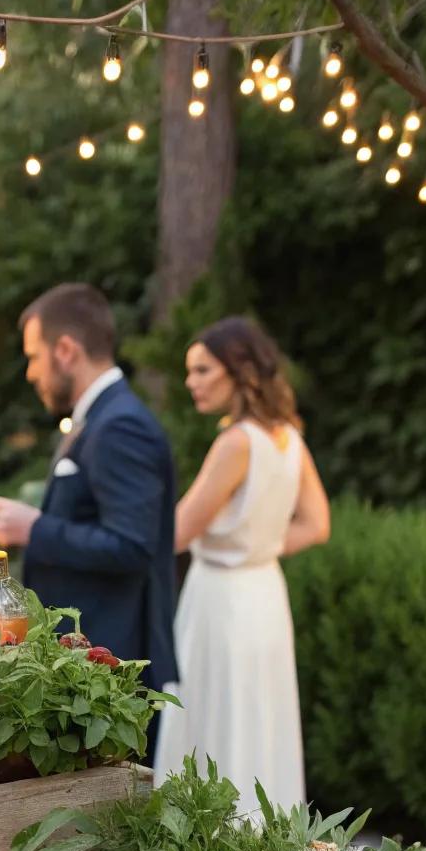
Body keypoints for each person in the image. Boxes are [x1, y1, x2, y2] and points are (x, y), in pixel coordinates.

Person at [153, 317, 331, 811]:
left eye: (203, 369)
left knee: (216, 715)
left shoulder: (236, 442)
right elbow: (317, 524)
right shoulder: (290, 438)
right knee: (258, 717)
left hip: (222, 598)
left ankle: (210, 836)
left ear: (240, 371)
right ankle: (264, 831)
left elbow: (177, 532)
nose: (192, 381)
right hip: (265, 592)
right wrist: (259, 545)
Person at [0, 282, 178, 707]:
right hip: (88, 665)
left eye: (33, 357)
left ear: (66, 349)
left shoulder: (121, 425)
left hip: (114, 668)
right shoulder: (97, 419)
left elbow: (133, 546)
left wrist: (37, 529)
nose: (30, 372)